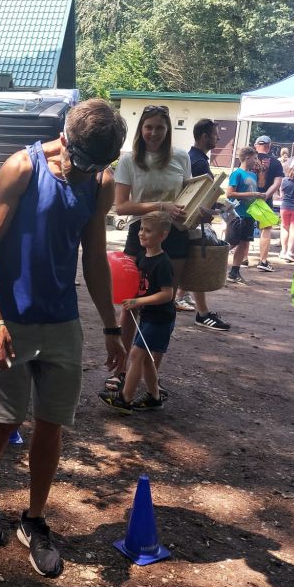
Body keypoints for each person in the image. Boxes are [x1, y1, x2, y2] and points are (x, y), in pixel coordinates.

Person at [0, 99, 127, 578]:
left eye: (97, 166)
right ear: (64, 138)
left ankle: (34, 518)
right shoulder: (22, 168)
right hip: (11, 318)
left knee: (51, 423)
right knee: (3, 419)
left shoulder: (98, 182)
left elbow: (94, 257)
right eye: (81, 162)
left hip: (62, 321)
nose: (87, 173)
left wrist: (111, 327)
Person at [107, 104, 190, 391]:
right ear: (140, 129)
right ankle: (120, 369)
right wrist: (161, 205)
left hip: (175, 235)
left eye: (160, 128)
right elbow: (121, 206)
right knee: (131, 302)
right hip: (140, 233)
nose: (154, 133)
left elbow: (189, 198)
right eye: (149, 127)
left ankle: (152, 374)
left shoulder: (181, 157)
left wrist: (201, 210)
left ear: (168, 130)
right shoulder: (129, 160)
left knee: (164, 304)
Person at [99, 211, 175, 413]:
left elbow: (167, 294)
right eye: (141, 229)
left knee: (136, 354)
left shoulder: (163, 263)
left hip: (161, 319)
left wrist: (138, 301)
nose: (142, 233)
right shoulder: (141, 257)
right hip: (148, 316)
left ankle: (125, 398)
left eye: (148, 231)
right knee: (147, 359)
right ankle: (154, 397)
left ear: (163, 235)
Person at [185, 118, 231, 330]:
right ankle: (202, 313)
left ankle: (189, 303)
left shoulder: (192, 158)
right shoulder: (199, 162)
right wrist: (214, 208)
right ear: (204, 137)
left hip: (189, 220)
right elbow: (199, 196)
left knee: (187, 265)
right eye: (215, 136)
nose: (218, 139)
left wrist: (218, 204)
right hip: (192, 222)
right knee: (197, 266)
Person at [225, 147, 264, 285]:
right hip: (237, 214)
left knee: (244, 243)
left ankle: (234, 272)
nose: (257, 161)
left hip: (249, 214)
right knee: (231, 243)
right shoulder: (237, 174)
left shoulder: (253, 174)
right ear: (247, 157)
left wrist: (259, 196)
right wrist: (252, 194)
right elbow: (229, 194)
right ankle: (212, 263)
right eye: (255, 158)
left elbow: (258, 187)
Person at [253, 135, 285, 271]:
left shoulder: (248, 159)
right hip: (265, 200)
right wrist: (266, 195)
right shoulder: (276, 162)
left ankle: (243, 258)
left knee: (246, 228)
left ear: (256, 145)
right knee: (265, 229)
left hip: (247, 198)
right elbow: (277, 183)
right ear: (269, 146)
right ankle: (263, 260)